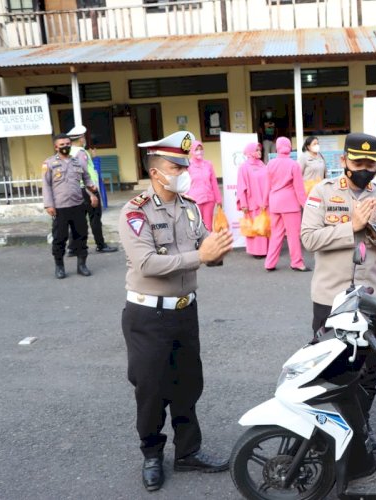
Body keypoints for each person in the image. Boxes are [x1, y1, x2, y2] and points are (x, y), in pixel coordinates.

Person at [118, 130, 233, 493]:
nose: (183, 171)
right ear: (156, 173)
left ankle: (188, 452)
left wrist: (219, 249)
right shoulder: (135, 211)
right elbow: (146, 263)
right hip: (148, 317)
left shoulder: (190, 207)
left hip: (185, 312)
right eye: (175, 166)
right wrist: (203, 255)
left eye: (184, 165)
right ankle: (152, 454)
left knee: (187, 385)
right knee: (151, 389)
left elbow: (206, 253)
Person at [300, 132, 376, 450]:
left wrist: (373, 229)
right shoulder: (323, 192)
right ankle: (322, 429)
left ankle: (361, 424)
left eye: (371, 163)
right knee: (328, 367)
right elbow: (308, 238)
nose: (365, 168)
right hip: (330, 298)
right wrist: (352, 227)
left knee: (368, 370)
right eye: (358, 162)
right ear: (344, 161)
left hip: (369, 300)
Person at [42, 133, 99, 279]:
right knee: (59, 238)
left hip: (78, 205)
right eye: (62, 145)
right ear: (56, 147)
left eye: (67, 144)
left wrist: (91, 187)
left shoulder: (77, 162)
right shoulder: (49, 163)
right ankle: (59, 266)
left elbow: (86, 177)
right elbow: (46, 186)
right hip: (60, 208)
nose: (65, 146)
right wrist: (49, 205)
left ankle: (82, 265)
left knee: (81, 236)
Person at [67, 125, 117, 254]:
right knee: (95, 218)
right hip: (87, 190)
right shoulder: (81, 153)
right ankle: (101, 245)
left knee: (78, 219)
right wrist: (91, 192)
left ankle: (72, 248)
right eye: (83, 137)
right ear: (80, 139)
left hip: (75, 190)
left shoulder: (68, 152)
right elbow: (82, 173)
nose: (84, 139)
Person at [265, 137, 309, 272]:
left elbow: (267, 185)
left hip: (275, 203)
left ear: (277, 147)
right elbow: (299, 188)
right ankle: (297, 262)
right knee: (293, 235)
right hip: (290, 204)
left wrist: (265, 202)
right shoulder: (293, 164)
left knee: (276, 234)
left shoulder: (270, 164)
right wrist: (305, 205)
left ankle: (270, 263)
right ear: (289, 147)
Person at [236, 142, 269, 257]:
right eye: (256, 150)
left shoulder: (262, 164)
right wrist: (244, 204)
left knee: (264, 224)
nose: (259, 152)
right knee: (255, 226)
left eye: (260, 150)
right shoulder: (244, 167)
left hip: (264, 202)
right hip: (252, 202)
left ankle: (267, 249)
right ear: (250, 152)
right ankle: (256, 251)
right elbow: (241, 187)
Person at [186, 140, 222, 231]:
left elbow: (214, 182)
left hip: (209, 200)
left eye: (201, 149)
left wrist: (218, 199)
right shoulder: (188, 165)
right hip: (195, 201)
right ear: (192, 151)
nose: (199, 151)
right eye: (196, 149)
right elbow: (184, 184)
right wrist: (185, 200)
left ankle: (209, 244)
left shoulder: (208, 164)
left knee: (208, 227)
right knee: (197, 226)